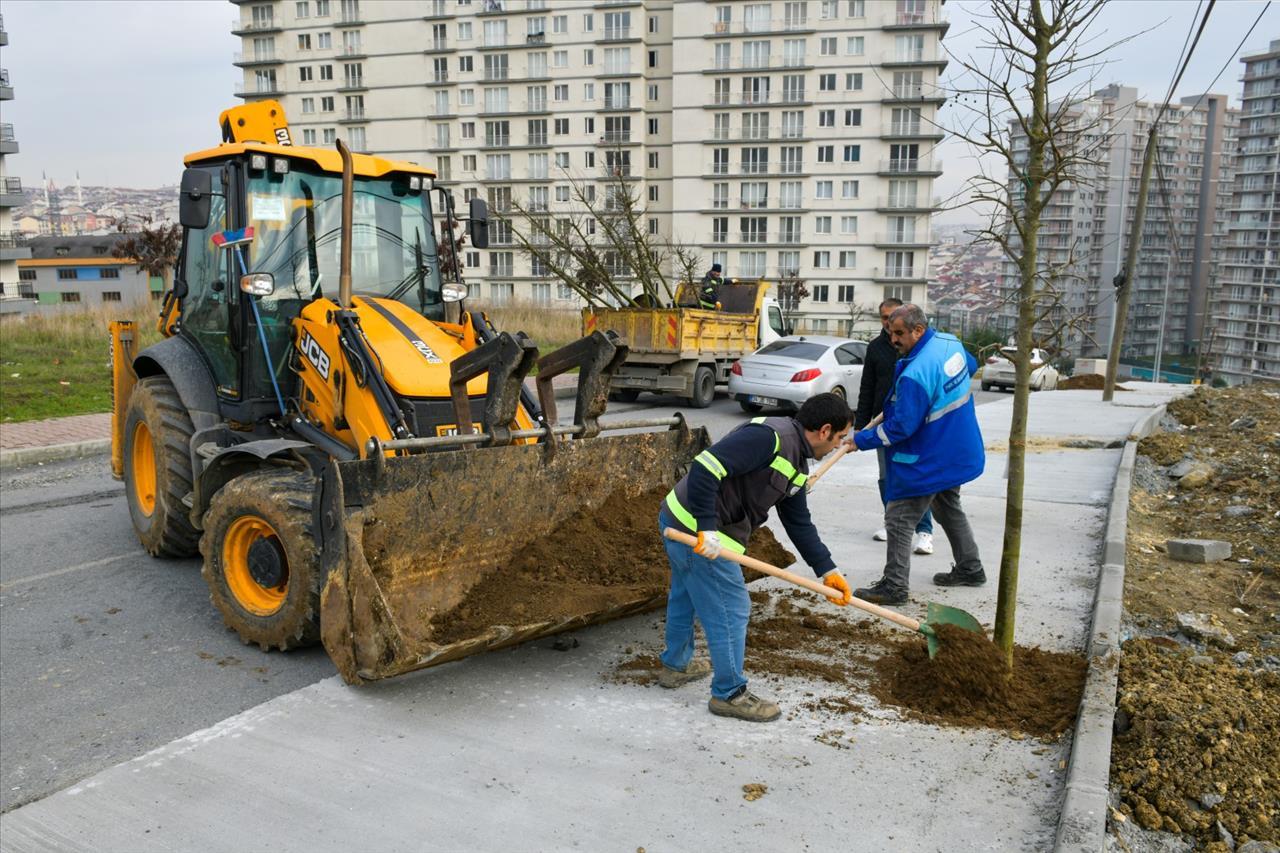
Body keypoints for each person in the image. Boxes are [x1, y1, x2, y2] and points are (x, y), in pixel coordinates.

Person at [657, 393, 854, 722]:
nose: (838, 446)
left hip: (682, 520)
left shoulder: (796, 462)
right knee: (731, 607)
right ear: (824, 430)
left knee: (685, 596)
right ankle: (729, 694)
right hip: (696, 529)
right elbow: (707, 466)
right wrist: (707, 529)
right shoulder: (770, 438)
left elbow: (798, 522)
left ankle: (676, 666)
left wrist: (827, 569)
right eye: (839, 438)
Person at [844, 304, 987, 605]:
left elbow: (900, 429)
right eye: (889, 332)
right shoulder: (949, 343)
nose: (893, 339)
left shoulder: (916, 373)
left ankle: (894, 586)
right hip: (958, 447)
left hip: (932, 454)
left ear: (918, 330)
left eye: (899, 333)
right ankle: (970, 568)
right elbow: (969, 367)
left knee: (898, 517)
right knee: (948, 506)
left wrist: (862, 439)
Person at [855, 297, 936, 555]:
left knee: (915, 477)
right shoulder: (877, 347)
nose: (890, 326)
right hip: (884, 423)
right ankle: (892, 523)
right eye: (884, 318)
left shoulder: (918, 347)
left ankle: (924, 532)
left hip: (914, 424)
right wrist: (861, 427)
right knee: (886, 477)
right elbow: (867, 387)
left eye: (894, 320)